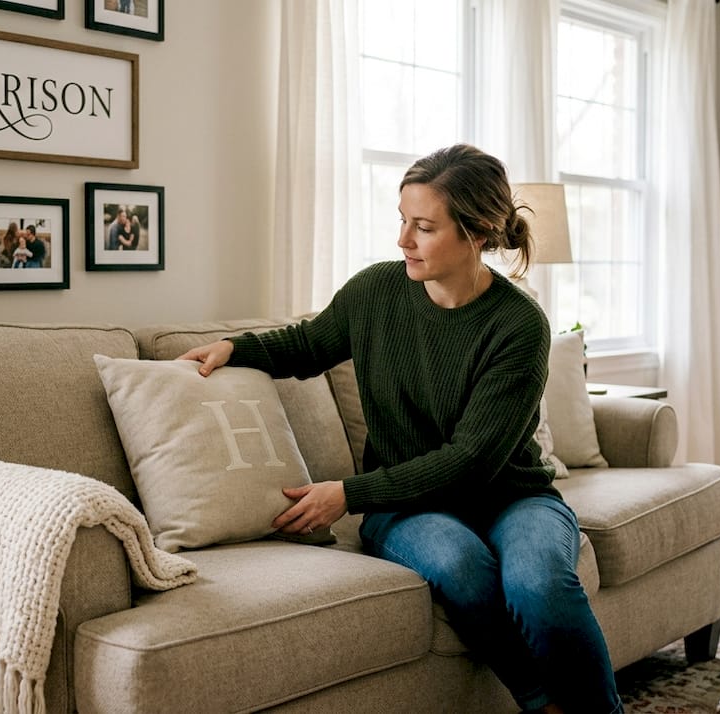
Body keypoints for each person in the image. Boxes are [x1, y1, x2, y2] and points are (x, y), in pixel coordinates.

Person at [178, 144, 622, 714]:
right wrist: (236, 348)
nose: (403, 240)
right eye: (402, 220)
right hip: (407, 506)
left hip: (513, 497)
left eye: (424, 227)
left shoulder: (519, 325)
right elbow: (309, 345)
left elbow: (471, 461)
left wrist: (349, 494)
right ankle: (543, 702)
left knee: (540, 585)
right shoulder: (376, 291)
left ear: (478, 233)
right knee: (462, 565)